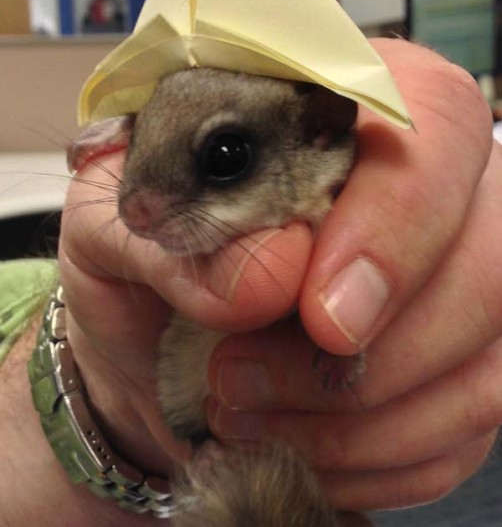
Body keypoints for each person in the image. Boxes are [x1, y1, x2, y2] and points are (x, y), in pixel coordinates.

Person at [1, 38, 501, 526]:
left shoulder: (331, 191)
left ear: (318, 131)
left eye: (223, 157)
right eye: (139, 136)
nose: (135, 214)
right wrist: (97, 388)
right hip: (198, 425)